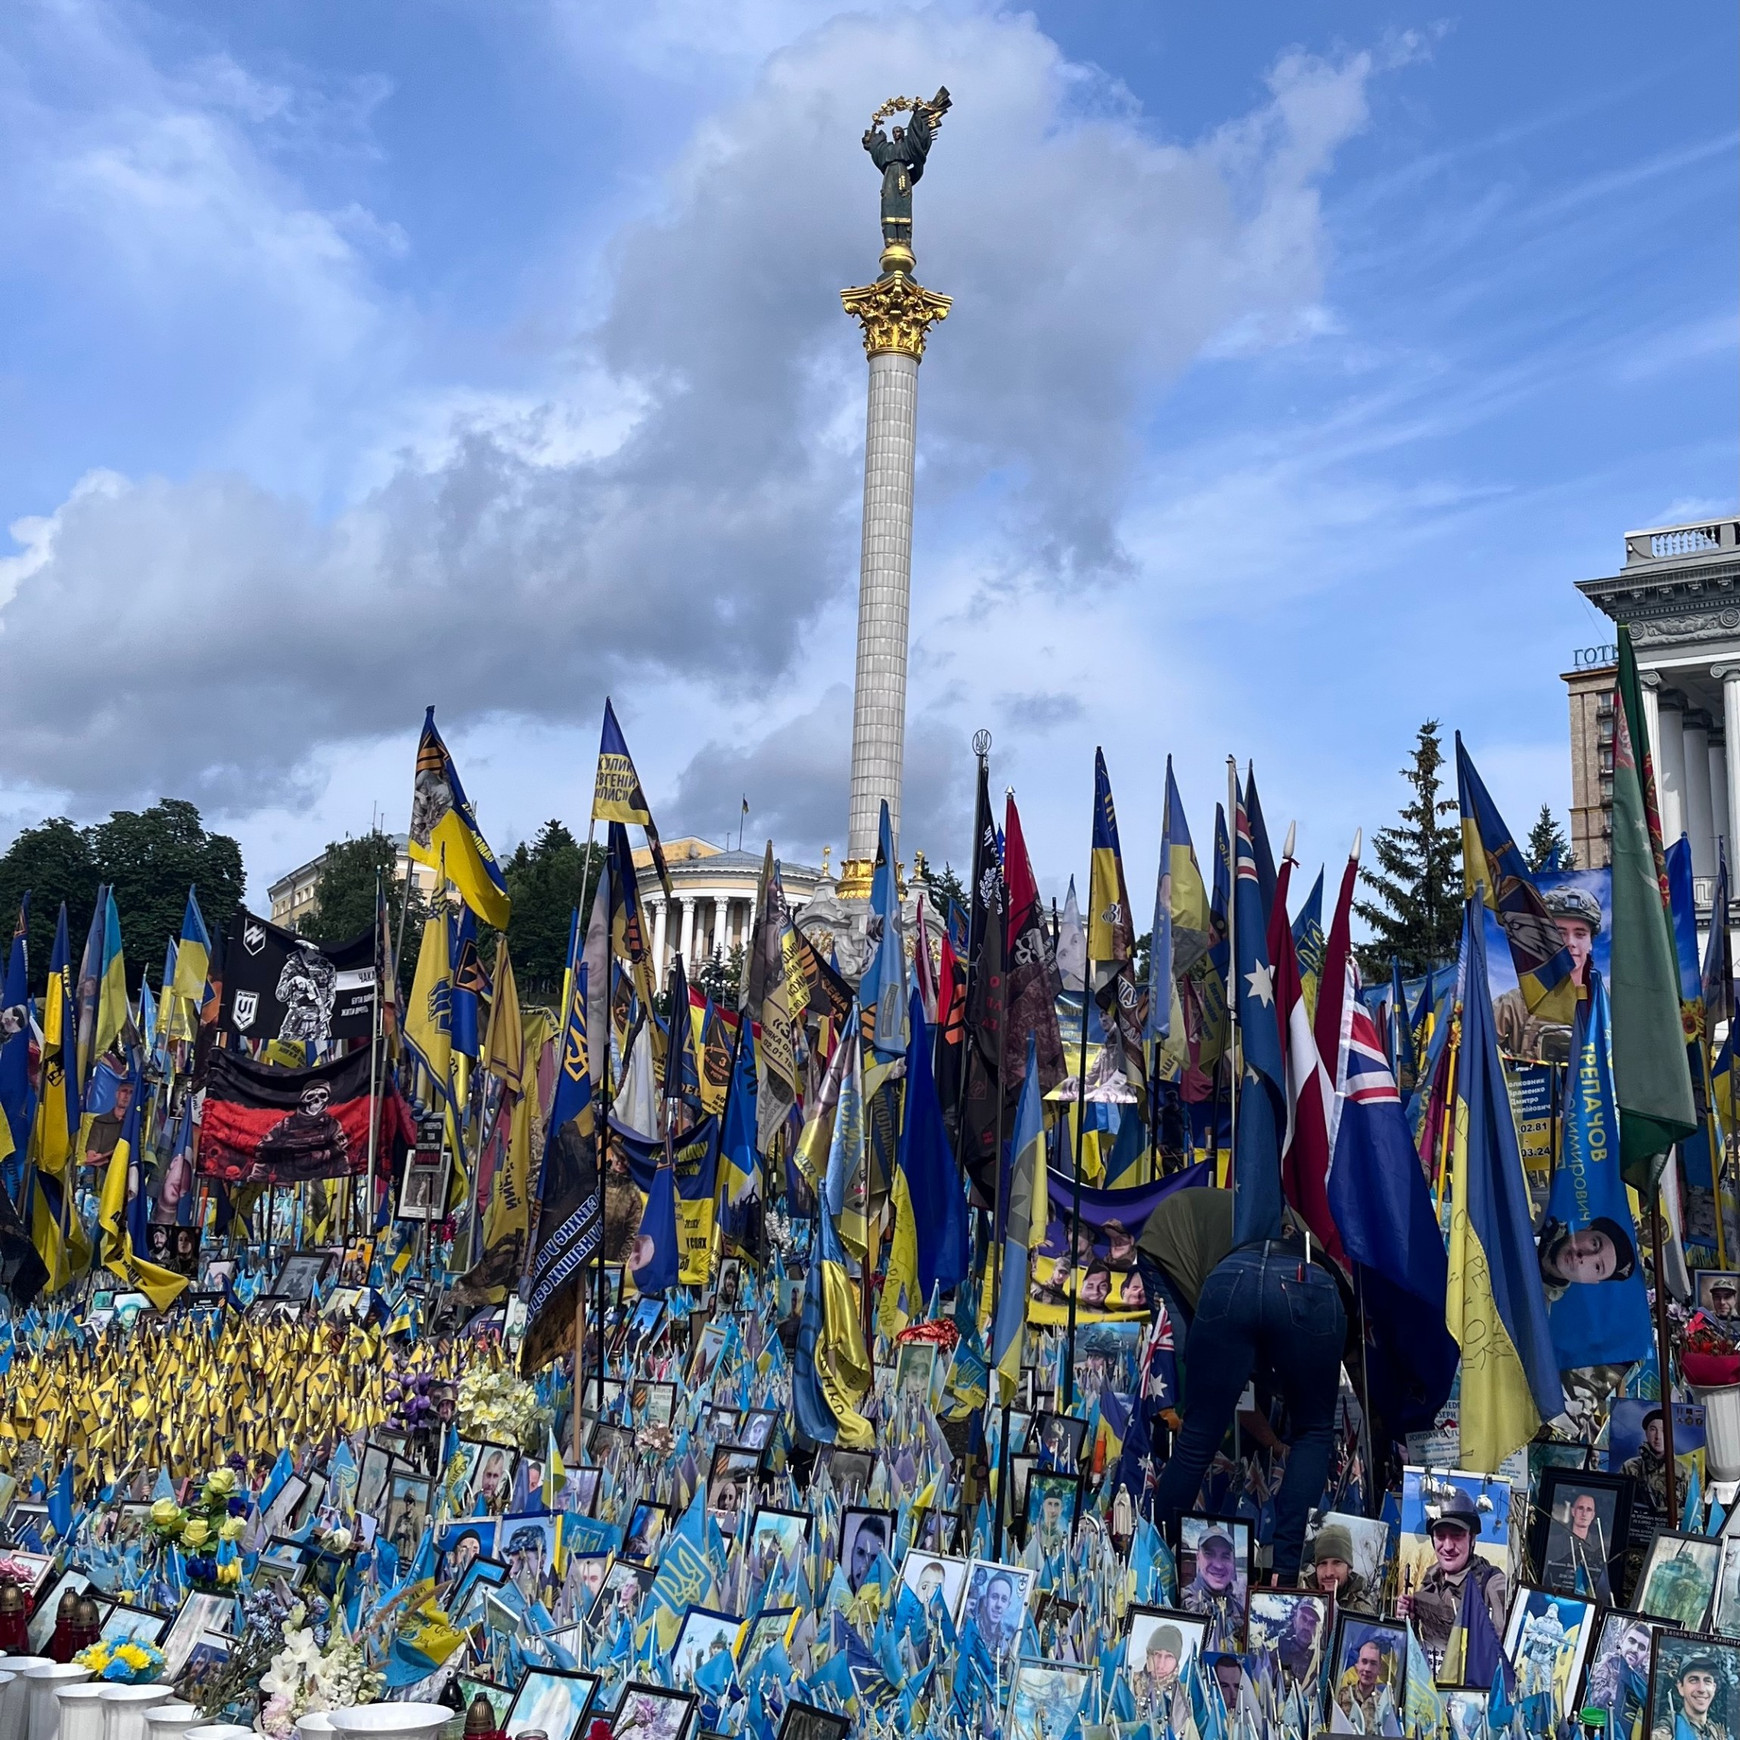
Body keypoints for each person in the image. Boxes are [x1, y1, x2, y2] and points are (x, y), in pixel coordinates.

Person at [1144, 1186, 1348, 1579]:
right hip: (1309, 1282)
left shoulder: (1185, 1225)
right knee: (1313, 1431)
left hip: (1228, 1279)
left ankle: (1152, 1564)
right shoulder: (1317, 1253)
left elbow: (1221, 1370)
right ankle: (1286, 1575)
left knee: (1199, 1434)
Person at [1397, 1490, 1508, 1680]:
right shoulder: (1429, 1583)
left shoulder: (1492, 1584)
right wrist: (1405, 1622)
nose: (1447, 1546)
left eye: (1456, 1536)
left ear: (1472, 1539)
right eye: (1440, 1536)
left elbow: (1502, 1657)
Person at [1494, 885, 1599, 1062]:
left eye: (1580, 934)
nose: (1570, 943)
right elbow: (1473, 1051)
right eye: (1559, 933)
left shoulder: (1608, 1004)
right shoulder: (1515, 1004)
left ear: (1590, 943)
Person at [1537, 1217, 1637, 1301]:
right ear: (1587, 1229)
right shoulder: (1539, 1217)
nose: (1584, 1257)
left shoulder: (1534, 1306)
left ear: (1591, 1281)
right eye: (1594, 1244)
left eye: (1597, 1267)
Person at [1181, 1526, 1246, 1652]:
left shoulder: (1239, 1609)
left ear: (1233, 1562)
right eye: (1209, 1554)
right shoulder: (1182, 1603)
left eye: (1225, 1556)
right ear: (1198, 1558)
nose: (1218, 1565)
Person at [1586, 1620, 1654, 1740]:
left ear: (1646, 1655)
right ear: (1622, 1641)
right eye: (1631, 1641)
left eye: (1641, 1647)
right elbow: (1596, 1699)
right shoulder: (1608, 1664)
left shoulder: (1646, 1682)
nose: (1634, 1649)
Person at [1543, 1491, 1613, 1601]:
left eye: (1589, 1509)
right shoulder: (1553, 1543)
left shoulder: (1601, 1548)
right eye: (1581, 1508)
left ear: (1593, 1515)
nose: (1584, 1514)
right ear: (1573, 1511)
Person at [1652, 1654, 1733, 1740]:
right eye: (1693, 1680)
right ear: (1680, 1687)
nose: (1701, 1689)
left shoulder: (1717, 1733)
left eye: (1707, 1681)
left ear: (1714, 1688)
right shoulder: (1668, 1730)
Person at [1306, 1523, 1377, 1613]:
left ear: (1349, 1568)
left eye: (1337, 1562)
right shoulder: (1299, 1597)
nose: (1329, 1573)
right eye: (1323, 1563)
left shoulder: (1362, 1611)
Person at [1335, 1640, 1402, 1736]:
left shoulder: (1384, 1704)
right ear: (1357, 1665)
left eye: (1373, 1663)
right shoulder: (1342, 1695)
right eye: (1364, 1661)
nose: (1367, 1669)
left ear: (1379, 1668)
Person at [1130, 1623, 1183, 1720]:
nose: (1161, 1664)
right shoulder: (1128, 1683)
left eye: (1169, 1656)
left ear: (1177, 1660)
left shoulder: (1183, 1693)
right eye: (1157, 1654)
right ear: (1148, 1655)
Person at [1624, 1409, 1670, 1517]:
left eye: (1663, 1430)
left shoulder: (1682, 1471)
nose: (1658, 1436)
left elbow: (1694, 1510)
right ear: (1646, 1433)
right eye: (1653, 1429)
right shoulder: (1630, 1467)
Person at [1278, 1601, 1324, 1686]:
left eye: (1312, 1623)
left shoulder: (1324, 1663)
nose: (1306, 1627)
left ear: (1320, 1631)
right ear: (1295, 1622)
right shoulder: (1278, 1651)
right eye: (1303, 1619)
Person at [848, 1514, 889, 1594]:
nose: (865, 1567)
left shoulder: (885, 1602)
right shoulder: (834, 1594)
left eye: (874, 1558)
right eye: (860, 1553)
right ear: (852, 1552)